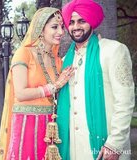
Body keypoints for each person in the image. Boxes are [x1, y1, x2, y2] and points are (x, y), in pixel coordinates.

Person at [56, 0, 135, 160]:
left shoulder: (113, 50)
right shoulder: (65, 60)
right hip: (72, 147)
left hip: (105, 147)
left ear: (91, 21)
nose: (75, 27)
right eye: (71, 22)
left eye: (81, 21)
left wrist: (115, 144)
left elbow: (125, 101)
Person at [0, 7, 74, 160]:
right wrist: (55, 86)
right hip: (26, 123)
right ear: (40, 28)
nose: (61, 32)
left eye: (62, 27)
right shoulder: (24, 53)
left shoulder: (57, 60)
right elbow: (21, 93)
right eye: (54, 27)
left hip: (50, 126)